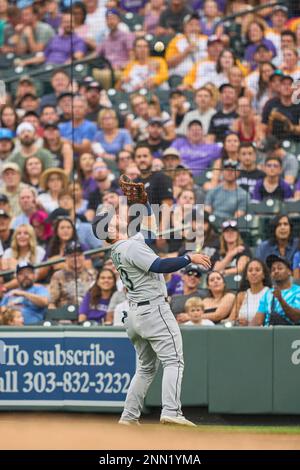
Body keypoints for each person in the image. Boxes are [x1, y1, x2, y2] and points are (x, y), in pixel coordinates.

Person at [92, 178, 211, 426]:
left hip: (136, 315)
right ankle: (171, 411)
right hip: (153, 310)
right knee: (174, 360)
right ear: (110, 231)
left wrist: (143, 205)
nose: (118, 218)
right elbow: (159, 265)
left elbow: (147, 232)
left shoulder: (121, 248)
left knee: (146, 369)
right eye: (113, 219)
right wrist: (189, 257)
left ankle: (128, 416)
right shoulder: (128, 248)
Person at [252, 255, 300, 326]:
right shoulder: (268, 293)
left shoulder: (298, 291)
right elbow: (258, 321)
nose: (276, 271)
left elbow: (296, 318)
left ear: (289, 272)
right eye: (273, 269)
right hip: (268, 333)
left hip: (289, 334)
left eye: (280, 268)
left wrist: (280, 299)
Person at [49, 241, 96, 309]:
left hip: (89, 314)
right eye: (72, 256)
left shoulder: (93, 273)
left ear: (83, 256)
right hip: (65, 315)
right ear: (66, 258)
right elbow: (52, 302)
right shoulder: (58, 276)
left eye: (79, 255)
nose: (76, 259)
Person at [229, 258, 271, 326]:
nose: (253, 273)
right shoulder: (241, 295)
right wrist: (237, 322)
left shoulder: (270, 293)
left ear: (263, 275)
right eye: (250, 270)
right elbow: (231, 319)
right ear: (246, 276)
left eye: (257, 270)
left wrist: (248, 324)